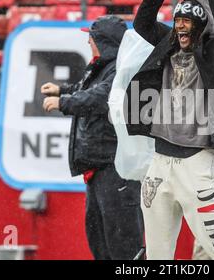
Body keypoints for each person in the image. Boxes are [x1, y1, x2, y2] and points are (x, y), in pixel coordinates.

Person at [125, 0, 214, 260]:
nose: (180, 27)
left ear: (201, 27)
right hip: (160, 161)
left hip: (198, 162)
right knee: (156, 251)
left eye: (187, 22)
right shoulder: (167, 41)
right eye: (178, 21)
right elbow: (142, 24)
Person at [41, 15, 144, 260]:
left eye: (92, 37)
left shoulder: (123, 69)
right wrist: (63, 90)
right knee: (100, 240)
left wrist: (63, 102)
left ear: (104, 41)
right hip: (100, 166)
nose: (88, 41)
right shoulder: (107, 66)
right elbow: (91, 90)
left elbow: (101, 97)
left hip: (116, 168)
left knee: (123, 244)